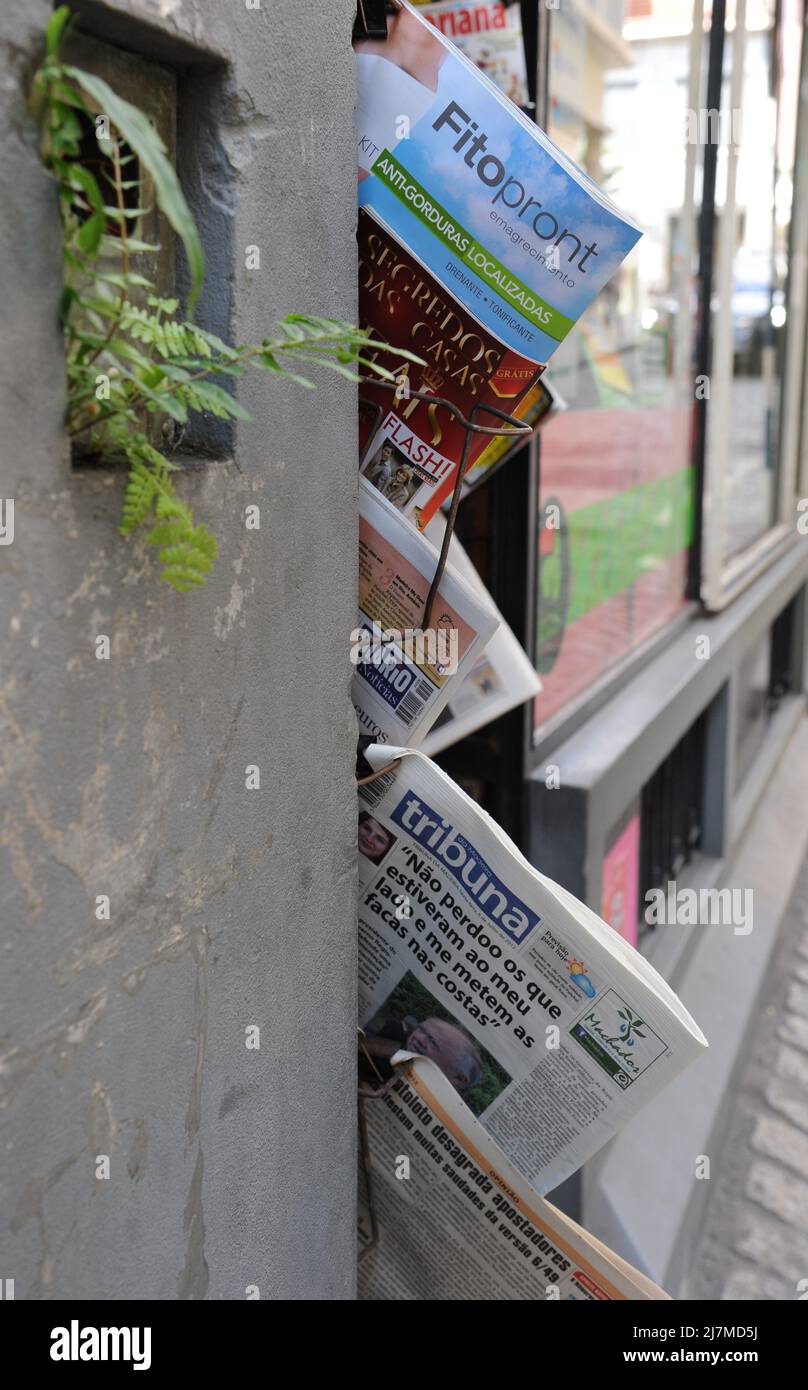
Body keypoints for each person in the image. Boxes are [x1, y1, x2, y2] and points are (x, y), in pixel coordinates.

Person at [361, 1010, 483, 1094]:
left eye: (433, 1042)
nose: (419, 1038)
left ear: (458, 1078)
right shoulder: (384, 1038)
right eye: (421, 1029)